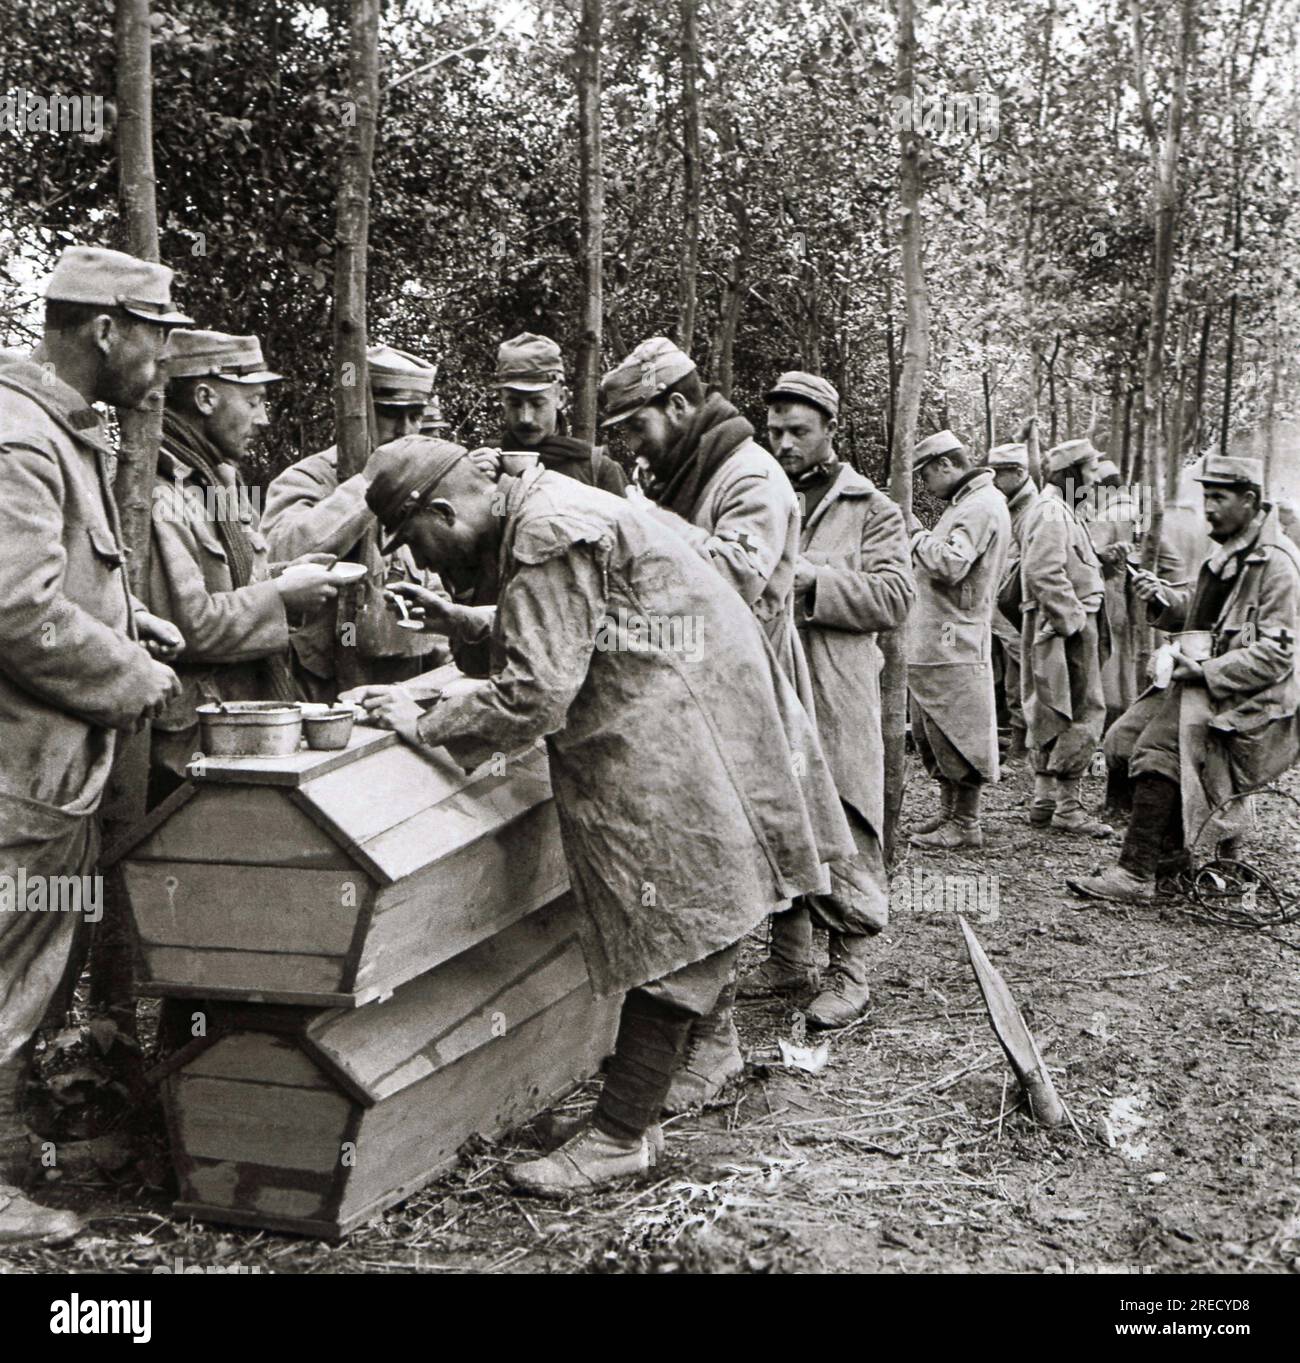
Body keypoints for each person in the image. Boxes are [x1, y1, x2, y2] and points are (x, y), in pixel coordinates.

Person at [341, 437, 851, 1195]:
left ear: (443, 511)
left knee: (679, 921)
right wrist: (466, 621)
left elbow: (534, 694)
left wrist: (428, 720)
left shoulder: (548, 529)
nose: (430, 558)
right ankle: (683, 1074)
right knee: (698, 912)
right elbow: (587, 622)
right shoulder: (552, 505)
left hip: (678, 729)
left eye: (420, 541)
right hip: (699, 712)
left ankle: (620, 1135)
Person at [0, 246, 190, 1244]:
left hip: (45, 770)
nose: (164, 358)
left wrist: (128, 624)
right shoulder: (21, 436)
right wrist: (129, 678)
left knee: (26, 970)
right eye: (157, 335)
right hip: (17, 772)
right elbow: (16, 609)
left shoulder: (56, 430)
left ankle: (14, 1162)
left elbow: (61, 579)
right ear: (108, 330)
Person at [597, 336, 819, 1106]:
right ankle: (706, 1037)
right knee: (694, 869)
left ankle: (717, 1043)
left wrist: (644, 519)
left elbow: (735, 575)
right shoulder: (677, 468)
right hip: (685, 692)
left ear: (681, 407)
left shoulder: (751, 474)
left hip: (743, 697)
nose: (631, 444)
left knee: (727, 870)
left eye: (637, 425)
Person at [739, 373, 914, 1028]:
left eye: (798, 431)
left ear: (829, 431)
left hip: (837, 690)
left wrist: (815, 579)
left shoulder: (871, 507)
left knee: (845, 816)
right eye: (775, 431)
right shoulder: (755, 495)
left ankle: (851, 970)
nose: (783, 443)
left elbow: (896, 598)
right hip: (771, 685)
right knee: (781, 812)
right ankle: (789, 956)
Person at [1070, 456, 1300, 902]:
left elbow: (1277, 655)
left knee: (1158, 749)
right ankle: (1172, 857)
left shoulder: (1278, 566)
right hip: (1207, 683)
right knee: (1121, 738)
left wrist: (1208, 671)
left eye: (1219, 497)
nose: (1208, 507)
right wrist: (1164, 598)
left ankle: (1137, 873)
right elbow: (1200, 611)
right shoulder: (1228, 551)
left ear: (1250, 501)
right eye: (1205, 496)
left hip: (1254, 702)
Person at [146, 330, 339, 804]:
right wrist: (281, 597)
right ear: (206, 397)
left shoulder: (218, 483)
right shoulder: (156, 495)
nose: (264, 418)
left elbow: (231, 586)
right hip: (189, 754)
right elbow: (182, 627)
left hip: (237, 735)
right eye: (253, 401)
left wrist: (285, 575)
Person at [261, 344, 446, 698]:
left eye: (415, 415)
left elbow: (435, 584)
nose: (405, 430)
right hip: (321, 683)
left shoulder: (422, 486)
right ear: (362, 413)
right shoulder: (310, 478)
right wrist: (365, 486)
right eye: (391, 414)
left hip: (405, 678)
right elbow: (281, 552)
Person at [906, 431, 1011, 849]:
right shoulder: (969, 503)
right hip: (941, 634)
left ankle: (966, 822)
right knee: (935, 726)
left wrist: (914, 534)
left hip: (954, 636)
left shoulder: (981, 505)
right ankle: (950, 813)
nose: (924, 484)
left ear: (946, 465)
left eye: (926, 474)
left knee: (958, 728)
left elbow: (951, 565)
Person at [1017, 439, 1112, 836]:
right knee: (1081, 709)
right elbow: (1043, 571)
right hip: (1064, 625)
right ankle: (1068, 807)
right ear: (1071, 474)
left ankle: (1044, 799)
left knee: (1051, 708)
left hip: (1057, 621)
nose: (1094, 481)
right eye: (1090, 472)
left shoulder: (1059, 510)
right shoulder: (1053, 511)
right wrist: (1073, 621)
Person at [468, 332, 626, 494]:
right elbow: (498, 515)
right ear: (502, 400)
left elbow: (622, 519)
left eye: (537, 403)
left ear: (561, 398)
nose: (525, 418)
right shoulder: (488, 465)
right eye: (515, 403)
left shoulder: (595, 471)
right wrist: (475, 485)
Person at [987, 442, 1037, 762]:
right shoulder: (1006, 503)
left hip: (1016, 606)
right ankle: (1008, 736)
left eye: (1001, 474)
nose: (995, 481)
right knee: (1004, 670)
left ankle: (1021, 742)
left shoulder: (1032, 509)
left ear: (1019, 473)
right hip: (998, 602)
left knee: (1021, 669)